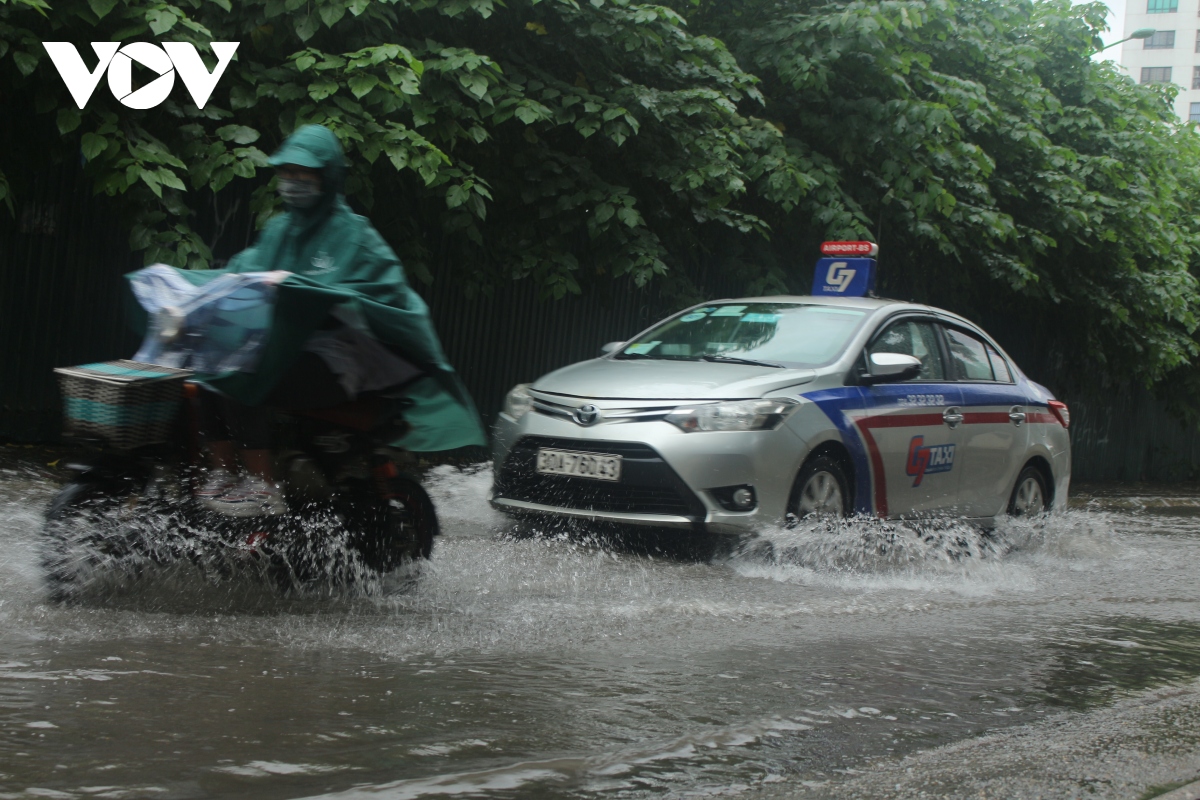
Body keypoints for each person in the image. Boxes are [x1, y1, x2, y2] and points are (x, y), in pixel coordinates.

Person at [148, 124, 485, 517]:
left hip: (340, 359)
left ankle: (262, 486)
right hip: (283, 349)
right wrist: (188, 287)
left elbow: (380, 294)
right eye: (286, 173)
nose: (292, 182)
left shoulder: (354, 234)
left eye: (303, 173)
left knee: (246, 373)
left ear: (327, 177)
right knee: (204, 369)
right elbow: (242, 272)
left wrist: (301, 287)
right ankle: (223, 475)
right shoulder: (280, 229)